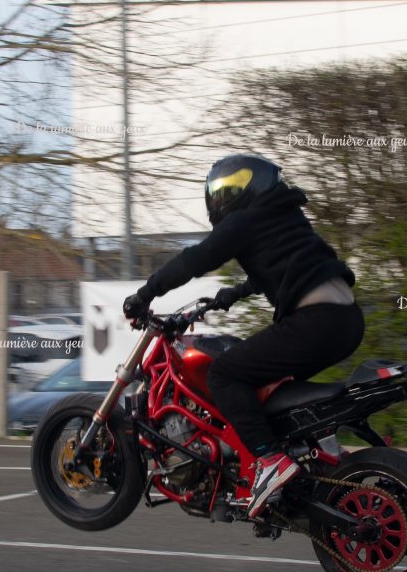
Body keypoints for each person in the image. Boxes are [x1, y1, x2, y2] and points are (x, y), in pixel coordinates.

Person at [123, 153, 364, 518]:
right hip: (346, 321)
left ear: (249, 189)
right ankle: (320, 449)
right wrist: (232, 294)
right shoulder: (285, 215)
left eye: (228, 190)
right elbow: (282, 264)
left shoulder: (246, 220)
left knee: (225, 374)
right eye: (220, 190)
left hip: (314, 322)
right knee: (275, 388)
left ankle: (269, 460)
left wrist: (145, 295)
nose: (222, 198)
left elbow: (195, 259)